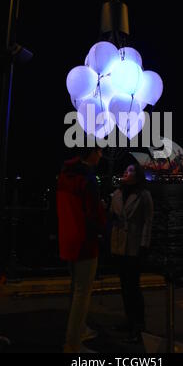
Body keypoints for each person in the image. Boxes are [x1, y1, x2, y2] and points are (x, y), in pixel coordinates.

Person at [56, 147, 106, 353]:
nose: (101, 155)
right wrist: (104, 222)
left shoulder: (65, 174)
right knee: (82, 292)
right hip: (84, 242)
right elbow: (93, 215)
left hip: (67, 237)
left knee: (75, 288)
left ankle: (78, 329)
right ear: (91, 153)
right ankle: (73, 343)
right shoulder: (88, 180)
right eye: (99, 150)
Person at [110, 164, 153, 343]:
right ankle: (129, 320)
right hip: (119, 243)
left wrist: (144, 244)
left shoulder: (144, 195)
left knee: (133, 286)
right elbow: (112, 215)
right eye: (126, 170)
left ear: (138, 175)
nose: (127, 173)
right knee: (124, 285)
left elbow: (148, 221)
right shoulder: (118, 193)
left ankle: (139, 324)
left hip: (134, 245)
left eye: (131, 170)